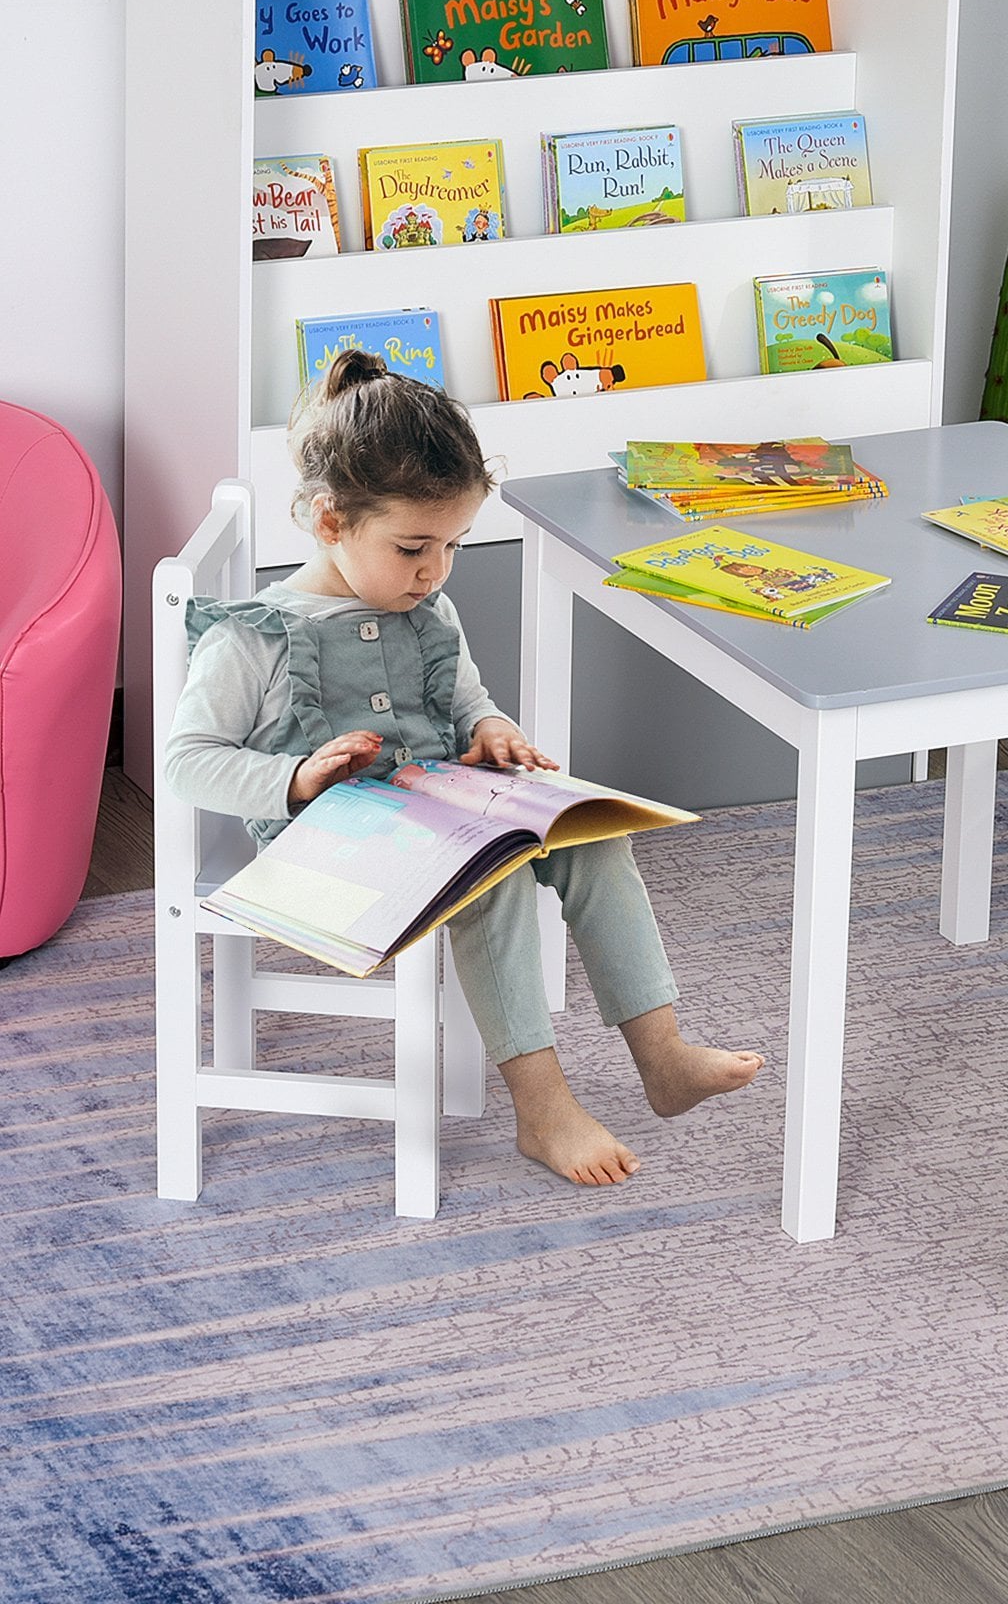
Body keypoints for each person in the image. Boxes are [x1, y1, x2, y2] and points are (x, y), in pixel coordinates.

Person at [163, 350, 761, 1187]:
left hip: (435, 811)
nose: (435, 570)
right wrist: (296, 776)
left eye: (452, 544)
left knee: (598, 842)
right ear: (331, 522)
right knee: (497, 882)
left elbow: (468, 700)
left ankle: (661, 1055)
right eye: (414, 547)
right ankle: (541, 1106)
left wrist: (493, 731)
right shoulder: (256, 635)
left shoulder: (426, 608)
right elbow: (186, 763)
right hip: (319, 850)